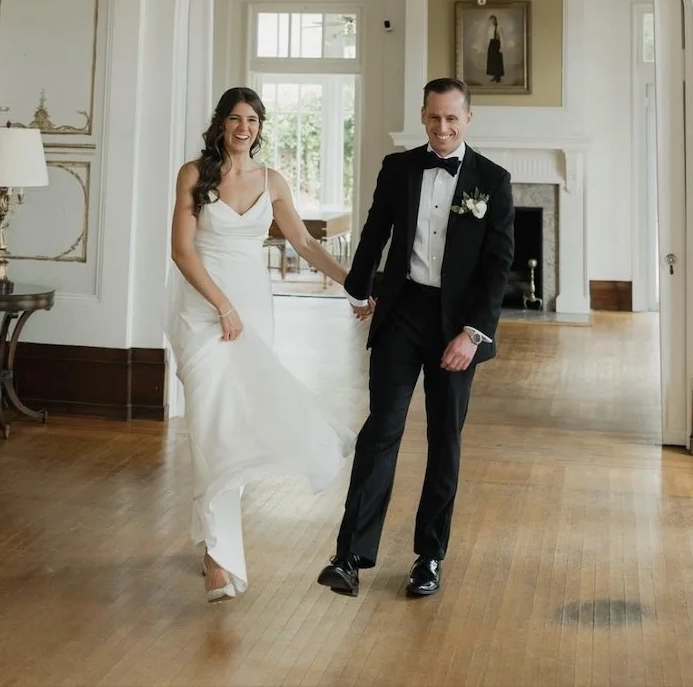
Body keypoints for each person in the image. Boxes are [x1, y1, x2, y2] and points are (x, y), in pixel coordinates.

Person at [317, 77, 514, 599]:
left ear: (468, 119)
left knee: (443, 439)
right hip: (402, 313)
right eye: (433, 118)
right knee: (381, 429)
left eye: (452, 118)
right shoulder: (398, 168)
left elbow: (498, 268)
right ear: (423, 116)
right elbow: (375, 233)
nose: (442, 128)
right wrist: (357, 291)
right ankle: (349, 556)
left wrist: (473, 335)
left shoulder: (492, 181)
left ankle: (429, 557)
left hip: (458, 325)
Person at [168, 86, 354, 602]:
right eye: (234, 118)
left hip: (254, 314)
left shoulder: (272, 181)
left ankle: (214, 539)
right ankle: (216, 558)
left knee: (237, 431)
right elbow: (182, 252)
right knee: (210, 425)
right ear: (221, 124)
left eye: (251, 119)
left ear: (260, 126)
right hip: (204, 312)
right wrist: (222, 307)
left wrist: (354, 283)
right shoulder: (194, 175)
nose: (242, 127)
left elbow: (306, 243)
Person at [486, 15, 505, 83]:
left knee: (497, 61)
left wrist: (501, 47)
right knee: (492, 61)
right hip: (492, 44)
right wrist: (489, 45)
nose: (492, 21)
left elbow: (501, 37)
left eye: (493, 20)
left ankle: (498, 77)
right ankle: (494, 75)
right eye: (491, 20)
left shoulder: (498, 27)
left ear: (495, 20)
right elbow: (489, 37)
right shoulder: (490, 28)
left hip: (497, 44)